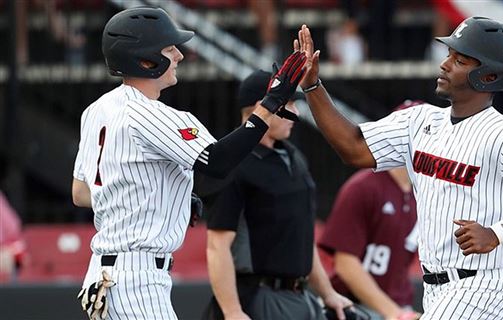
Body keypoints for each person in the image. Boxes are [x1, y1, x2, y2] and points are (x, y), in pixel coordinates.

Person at [294, 17, 503, 320]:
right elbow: (353, 148)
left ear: (489, 77)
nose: (445, 64)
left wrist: (497, 233)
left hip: (481, 287)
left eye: (460, 59)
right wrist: (313, 87)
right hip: (437, 288)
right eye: (450, 54)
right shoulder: (419, 120)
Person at [71, 7, 306, 320]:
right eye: (170, 49)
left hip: (107, 272)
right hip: (137, 278)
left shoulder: (96, 110)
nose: (179, 55)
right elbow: (218, 161)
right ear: (145, 59)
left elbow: (82, 192)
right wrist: (270, 104)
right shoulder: (152, 114)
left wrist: (170, 193)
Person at [203, 70, 352, 320]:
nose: (294, 113)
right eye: (286, 105)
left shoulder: (293, 156)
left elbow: (301, 235)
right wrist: (232, 311)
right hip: (259, 297)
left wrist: (327, 293)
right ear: (259, 108)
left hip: (302, 296)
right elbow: (218, 246)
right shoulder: (233, 163)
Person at [319, 163, 421, 320]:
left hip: (401, 304)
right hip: (353, 306)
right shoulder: (362, 187)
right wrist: (394, 313)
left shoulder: (425, 195)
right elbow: (346, 264)